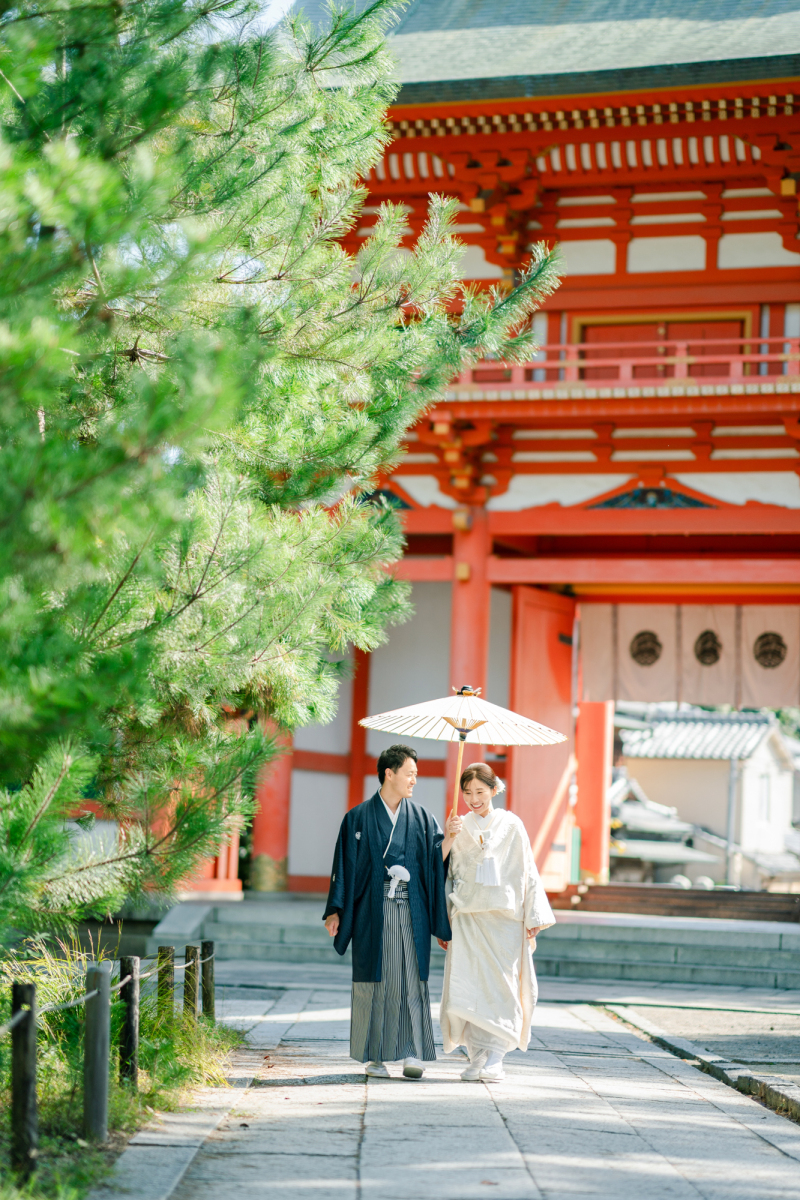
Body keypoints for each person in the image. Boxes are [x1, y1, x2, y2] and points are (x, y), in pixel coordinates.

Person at [323, 744, 461, 1078]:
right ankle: (375, 1056)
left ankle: (412, 1052)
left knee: (412, 978)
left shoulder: (422, 818)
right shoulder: (357, 818)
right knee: (376, 981)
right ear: (390, 773)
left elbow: (432, 864)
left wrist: (449, 840)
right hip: (373, 910)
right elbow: (343, 866)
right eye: (410, 773)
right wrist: (336, 909)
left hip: (412, 910)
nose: (415, 780)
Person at [439, 762, 555, 1082]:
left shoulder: (512, 824)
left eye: (480, 791)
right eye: (467, 793)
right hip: (467, 916)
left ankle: (496, 1058)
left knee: (501, 988)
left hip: (504, 918)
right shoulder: (458, 826)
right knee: (468, 986)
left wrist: (533, 915)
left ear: (493, 789)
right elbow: (440, 870)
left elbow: (527, 870)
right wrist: (448, 838)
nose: (474, 799)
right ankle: (478, 1055)